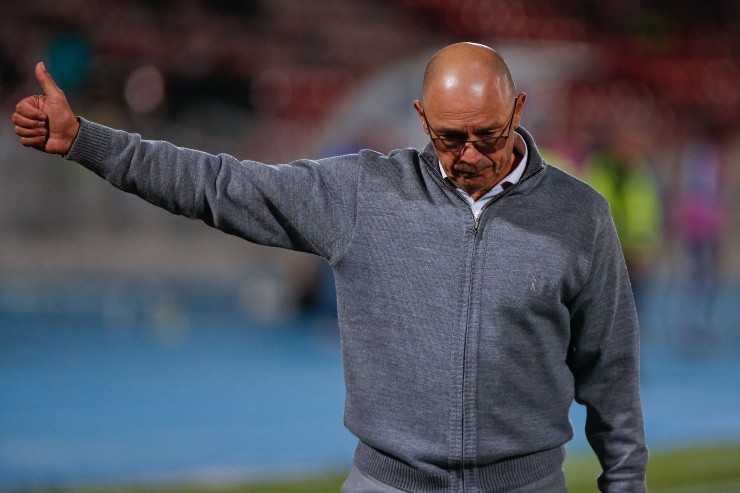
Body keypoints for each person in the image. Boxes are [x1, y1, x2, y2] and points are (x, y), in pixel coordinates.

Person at [11, 42, 647, 492]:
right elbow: (217, 184)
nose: (471, 154)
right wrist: (87, 141)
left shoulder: (579, 215)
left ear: (519, 110)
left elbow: (611, 374)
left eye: (489, 135)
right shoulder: (360, 195)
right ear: (421, 118)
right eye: (450, 138)